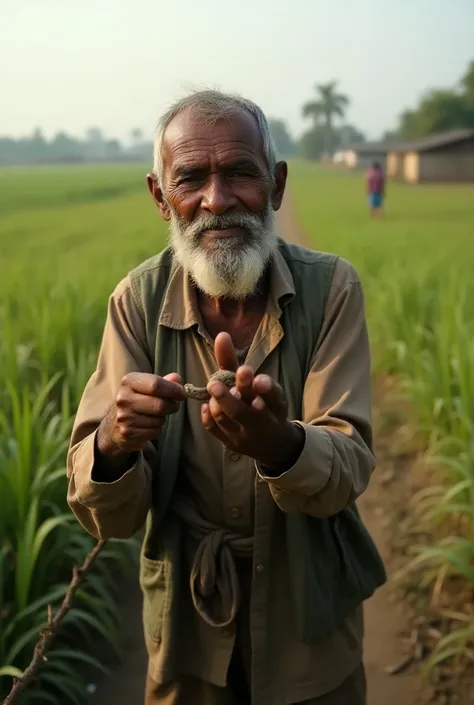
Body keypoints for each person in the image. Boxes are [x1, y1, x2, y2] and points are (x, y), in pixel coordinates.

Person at [67, 89, 386, 705]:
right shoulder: (136, 301)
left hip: (308, 621)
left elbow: (349, 467)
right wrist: (113, 442)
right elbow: (105, 511)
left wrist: (280, 445)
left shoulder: (332, 289)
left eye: (241, 172)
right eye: (191, 178)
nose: (217, 200)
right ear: (162, 198)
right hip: (189, 625)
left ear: (277, 184)